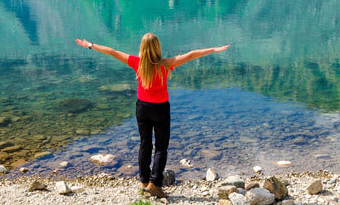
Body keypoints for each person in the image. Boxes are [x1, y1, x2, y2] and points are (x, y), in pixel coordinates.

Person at [75, 33, 230, 198]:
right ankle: (155, 184)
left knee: (145, 144)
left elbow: (112, 51)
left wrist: (91, 45)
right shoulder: (166, 64)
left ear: (142, 48)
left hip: (142, 108)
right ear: (158, 48)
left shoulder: (137, 63)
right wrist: (213, 49)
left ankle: (144, 181)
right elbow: (192, 54)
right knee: (161, 148)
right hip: (161, 109)